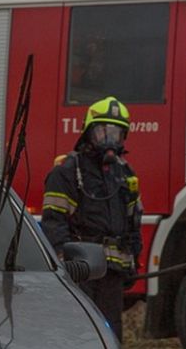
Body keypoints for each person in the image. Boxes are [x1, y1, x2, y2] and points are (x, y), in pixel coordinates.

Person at [41, 96, 142, 343]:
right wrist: (67, 263)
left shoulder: (125, 174)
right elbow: (54, 221)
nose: (109, 139)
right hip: (82, 269)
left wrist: (131, 264)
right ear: (88, 133)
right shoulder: (67, 171)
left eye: (116, 133)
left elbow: (133, 223)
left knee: (111, 333)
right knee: (80, 332)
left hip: (112, 273)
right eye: (103, 132)